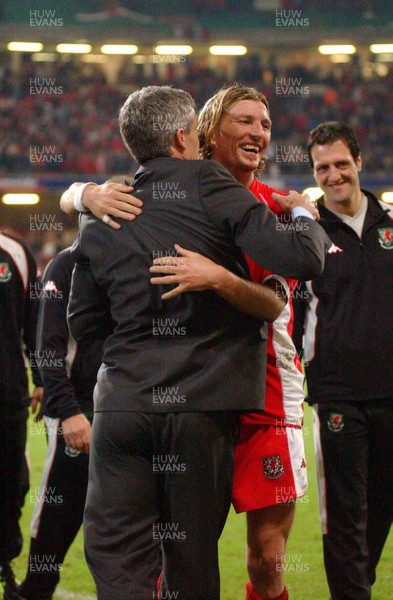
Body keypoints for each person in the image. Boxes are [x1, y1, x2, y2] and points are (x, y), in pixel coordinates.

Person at [66, 85, 330, 600]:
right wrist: (79, 192)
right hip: (205, 404)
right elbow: (299, 264)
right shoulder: (213, 189)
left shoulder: (106, 209)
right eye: (244, 120)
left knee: (134, 556)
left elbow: (85, 324)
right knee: (187, 559)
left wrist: (80, 196)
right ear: (193, 135)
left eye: (265, 122)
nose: (258, 132)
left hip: (149, 402)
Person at [292, 121, 393, 600]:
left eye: (340, 164)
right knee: (345, 518)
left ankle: (356, 589)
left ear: (358, 163)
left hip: (392, 395)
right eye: (322, 168)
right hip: (337, 397)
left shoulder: (392, 225)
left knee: (381, 511)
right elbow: (290, 319)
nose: (333, 175)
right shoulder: (305, 234)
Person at [17, 248, 103, 600]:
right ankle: (35, 591)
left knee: (126, 522)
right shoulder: (67, 265)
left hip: (126, 410)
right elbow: (48, 346)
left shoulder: (137, 256)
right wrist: (68, 411)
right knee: (58, 511)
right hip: (77, 408)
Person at [0, 231, 43, 600]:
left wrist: (42, 377)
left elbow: (36, 321)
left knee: (11, 483)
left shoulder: (15, 252)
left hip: (8, 392)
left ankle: (4, 565)